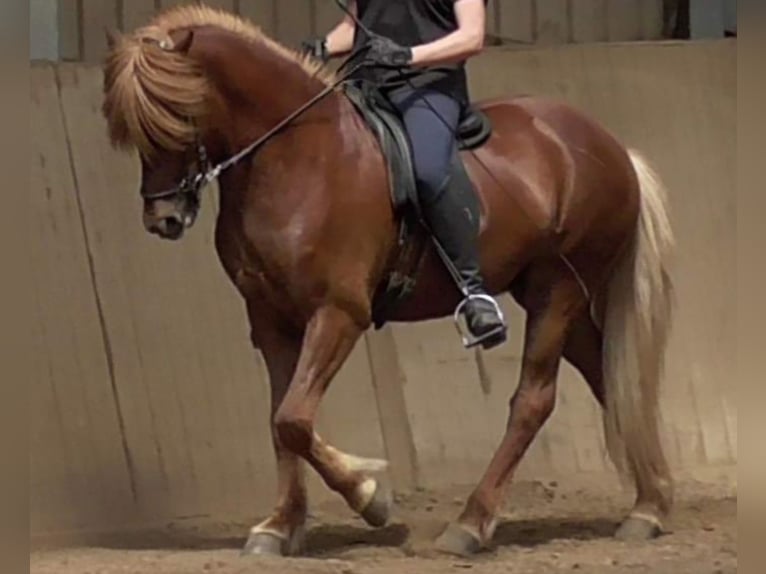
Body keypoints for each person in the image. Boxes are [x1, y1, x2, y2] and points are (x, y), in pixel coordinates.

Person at [303, 0, 506, 349]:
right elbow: (356, 27)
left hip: (428, 86)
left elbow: (472, 37)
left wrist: (408, 56)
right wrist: (322, 46)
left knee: (428, 170)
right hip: (366, 84)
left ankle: (474, 292)